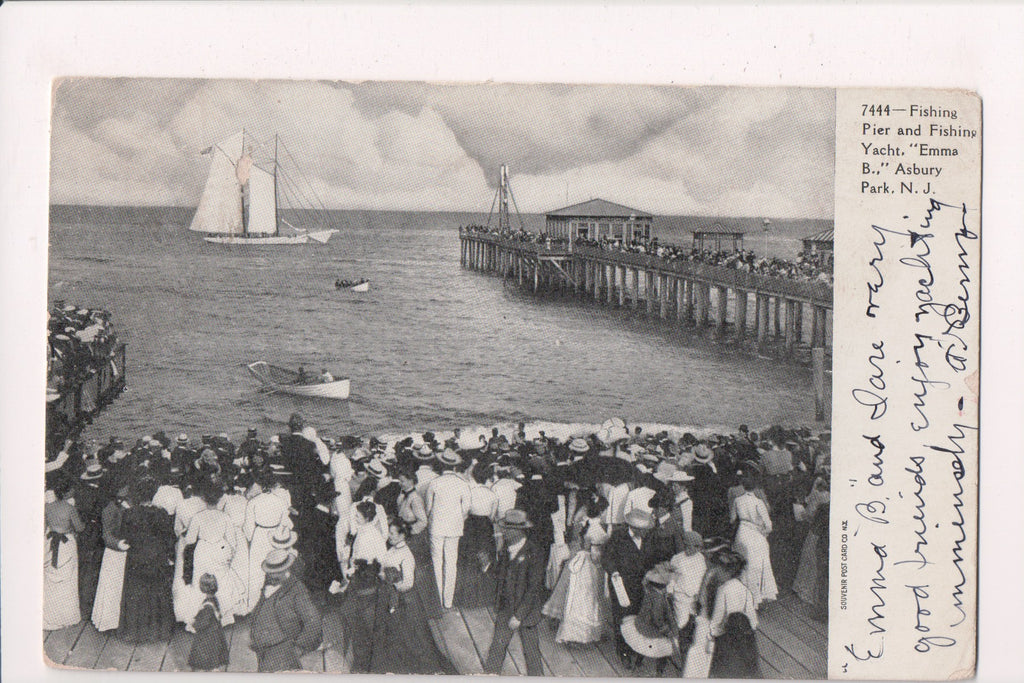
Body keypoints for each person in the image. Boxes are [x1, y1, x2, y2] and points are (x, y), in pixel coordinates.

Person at [372, 520, 454, 674]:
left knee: (412, 639)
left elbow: (408, 583)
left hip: (404, 602)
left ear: (402, 535)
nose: (389, 536)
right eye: (389, 533)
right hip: (390, 597)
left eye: (392, 533)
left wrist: (392, 583)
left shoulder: (406, 555)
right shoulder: (392, 549)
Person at [484, 510, 547, 677]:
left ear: (519, 531)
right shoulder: (507, 549)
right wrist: (487, 566)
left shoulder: (535, 552)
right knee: (497, 648)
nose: (503, 532)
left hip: (525, 613)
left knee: (531, 652)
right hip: (506, 608)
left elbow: (534, 589)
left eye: (507, 529)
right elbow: (501, 575)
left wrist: (519, 616)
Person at [542, 492, 610, 645]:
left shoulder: (586, 522)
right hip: (589, 564)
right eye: (605, 510)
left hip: (579, 559)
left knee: (575, 593)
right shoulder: (597, 530)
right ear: (601, 511)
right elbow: (595, 556)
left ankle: (568, 626)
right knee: (587, 597)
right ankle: (581, 633)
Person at [118, 477, 176, 644]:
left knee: (136, 595)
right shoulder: (161, 513)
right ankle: (159, 631)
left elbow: (125, 536)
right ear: (154, 493)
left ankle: (135, 632)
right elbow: (169, 538)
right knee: (158, 593)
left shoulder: (129, 514)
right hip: (157, 558)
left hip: (137, 559)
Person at [248, 548, 323, 672]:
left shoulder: (296, 590)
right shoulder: (268, 587)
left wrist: (299, 647)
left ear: (285, 570)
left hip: (282, 653)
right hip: (263, 652)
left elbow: (313, 621)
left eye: (274, 572)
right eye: (269, 572)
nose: (270, 575)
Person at [602, 508, 659, 665]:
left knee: (638, 616)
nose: (645, 532)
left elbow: (652, 557)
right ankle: (623, 652)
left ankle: (635, 647)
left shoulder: (648, 538)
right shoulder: (618, 536)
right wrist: (613, 572)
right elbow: (606, 557)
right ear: (633, 527)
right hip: (622, 585)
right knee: (622, 618)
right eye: (642, 530)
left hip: (641, 584)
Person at [424, 448, 471, 609]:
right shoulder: (463, 484)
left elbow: (428, 508)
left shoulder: (434, 483)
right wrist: (458, 518)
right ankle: (448, 601)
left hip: (436, 526)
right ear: (455, 467)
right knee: (451, 563)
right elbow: (466, 508)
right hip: (455, 527)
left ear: (441, 464)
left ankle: (437, 599)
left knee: (437, 561)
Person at [707, 550, 760, 679]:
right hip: (744, 636)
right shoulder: (745, 589)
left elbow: (717, 620)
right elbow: (753, 620)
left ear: (727, 572)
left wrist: (711, 634)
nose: (716, 573)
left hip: (728, 637)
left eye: (718, 570)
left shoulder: (723, 589)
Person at [44, 476, 86, 630]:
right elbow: (80, 527)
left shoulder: (47, 507)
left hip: (50, 542)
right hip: (66, 544)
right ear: (68, 492)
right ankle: (65, 616)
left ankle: (49, 616)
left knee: (51, 577)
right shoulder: (70, 508)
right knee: (67, 579)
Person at [620, 564, 679, 674]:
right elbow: (657, 619)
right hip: (651, 627)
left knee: (643, 646)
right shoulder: (659, 598)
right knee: (665, 650)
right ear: (664, 585)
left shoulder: (650, 591)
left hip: (642, 623)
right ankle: (659, 672)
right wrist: (667, 631)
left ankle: (638, 662)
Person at [730, 473, 778, 607]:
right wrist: (763, 533)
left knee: (743, 565)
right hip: (756, 536)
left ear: (744, 487)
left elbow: (732, 519)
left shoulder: (738, 500)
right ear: (755, 487)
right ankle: (756, 597)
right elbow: (768, 525)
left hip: (742, 534)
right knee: (757, 567)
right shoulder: (758, 502)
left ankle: (742, 596)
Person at [91, 477, 130, 632]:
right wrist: (119, 544)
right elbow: (106, 535)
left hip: (121, 551)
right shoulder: (109, 509)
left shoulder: (123, 505)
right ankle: (108, 622)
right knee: (111, 586)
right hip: (114, 552)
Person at [188, 573, 229, 671]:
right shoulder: (214, 600)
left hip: (207, 636)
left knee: (207, 655)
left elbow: (204, 621)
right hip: (215, 633)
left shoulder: (207, 605)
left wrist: (194, 625)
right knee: (214, 654)